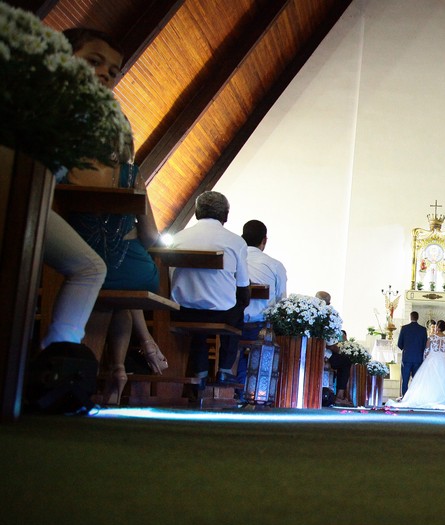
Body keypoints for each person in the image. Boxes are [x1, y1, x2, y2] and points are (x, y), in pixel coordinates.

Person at [57, 28, 168, 404]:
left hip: (71, 248)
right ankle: (108, 368)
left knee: (104, 273)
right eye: (94, 62)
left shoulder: (68, 162)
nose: (106, 74)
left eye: (113, 70)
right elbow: (151, 237)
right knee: (116, 277)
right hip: (124, 265)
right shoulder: (131, 176)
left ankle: (85, 370)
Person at [169, 190, 250, 386]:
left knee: (197, 314)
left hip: (183, 312)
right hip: (221, 314)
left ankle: (200, 371)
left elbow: (170, 277)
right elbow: (243, 285)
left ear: (196, 212)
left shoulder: (178, 238)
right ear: (226, 216)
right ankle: (224, 370)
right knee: (238, 307)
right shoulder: (236, 242)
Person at [236, 220, 287, 392]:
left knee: (234, 341)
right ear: (264, 240)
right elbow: (281, 302)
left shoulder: (234, 259)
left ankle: (237, 386)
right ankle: (256, 390)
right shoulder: (275, 265)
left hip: (232, 323)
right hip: (259, 328)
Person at [385, 320, 445, 410]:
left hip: (432, 360)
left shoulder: (431, 338)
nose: (435, 327)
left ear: (438, 327)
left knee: (430, 380)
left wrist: (424, 361)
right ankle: (443, 397)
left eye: (436, 326)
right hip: (444, 361)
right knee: (443, 380)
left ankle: (431, 397)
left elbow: (426, 351)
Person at [396, 311, 428, 396]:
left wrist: (406, 348)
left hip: (407, 358)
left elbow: (399, 344)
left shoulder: (404, 328)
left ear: (410, 317)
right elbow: (425, 345)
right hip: (418, 358)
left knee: (405, 380)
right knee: (416, 380)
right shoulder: (423, 329)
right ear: (418, 318)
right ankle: (415, 397)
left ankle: (404, 397)